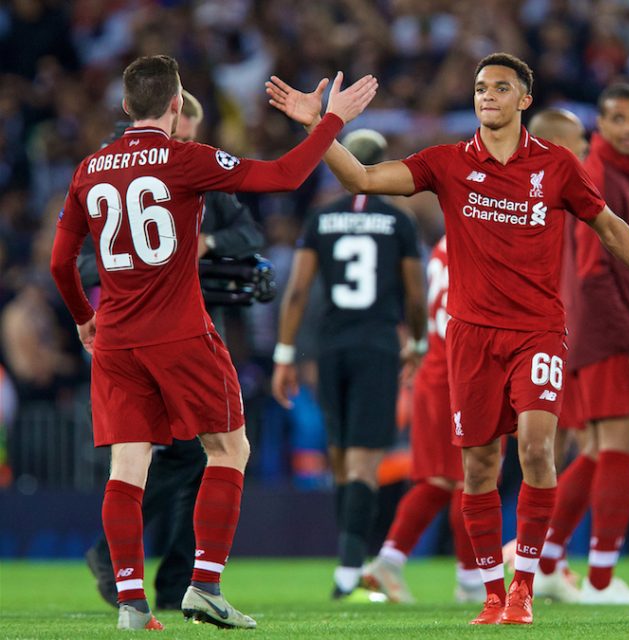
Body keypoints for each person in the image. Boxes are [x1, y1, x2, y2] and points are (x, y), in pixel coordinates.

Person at [265, 52, 629, 626]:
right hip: (470, 338)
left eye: (500, 87)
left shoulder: (558, 165)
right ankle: (492, 593)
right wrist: (321, 126)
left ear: (524, 99)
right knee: (478, 469)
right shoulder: (447, 163)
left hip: (539, 332)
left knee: (538, 448)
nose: (487, 95)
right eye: (481, 87)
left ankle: (524, 590)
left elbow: (610, 229)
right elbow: (361, 177)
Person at [49, 54, 376, 630]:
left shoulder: (89, 169)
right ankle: (205, 586)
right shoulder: (184, 157)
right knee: (230, 450)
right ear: (176, 105)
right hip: (181, 334)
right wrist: (328, 122)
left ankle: (131, 604)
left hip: (118, 340)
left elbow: (60, 263)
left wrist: (84, 319)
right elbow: (282, 177)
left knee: (127, 467)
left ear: (126, 106)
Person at [81, 89, 265, 613]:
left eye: (188, 138)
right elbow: (88, 262)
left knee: (186, 458)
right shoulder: (114, 171)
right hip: (147, 335)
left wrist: (207, 245)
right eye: (178, 133)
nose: (180, 144)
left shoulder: (197, 170)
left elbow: (249, 230)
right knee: (192, 454)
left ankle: (162, 585)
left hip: (194, 329)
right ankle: (174, 579)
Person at [270, 128, 426, 602]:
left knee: (339, 458)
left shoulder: (321, 218)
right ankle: (349, 573)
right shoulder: (397, 221)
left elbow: (297, 291)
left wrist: (285, 353)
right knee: (364, 464)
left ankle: (347, 564)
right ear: (380, 164)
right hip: (376, 345)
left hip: (329, 348)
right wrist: (417, 340)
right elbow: (415, 293)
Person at [532, 86, 629, 606]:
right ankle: (600, 579)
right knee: (619, 446)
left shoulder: (614, 178)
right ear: (600, 128)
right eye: (618, 118)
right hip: (608, 336)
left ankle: (545, 561)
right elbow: (595, 274)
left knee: (593, 449)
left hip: (583, 333)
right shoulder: (599, 179)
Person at [360, 235, 484, 604]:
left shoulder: (445, 244)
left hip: (434, 368)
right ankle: (471, 582)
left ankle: (389, 560)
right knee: (472, 478)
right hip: (461, 371)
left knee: (440, 480)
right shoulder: (477, 238)